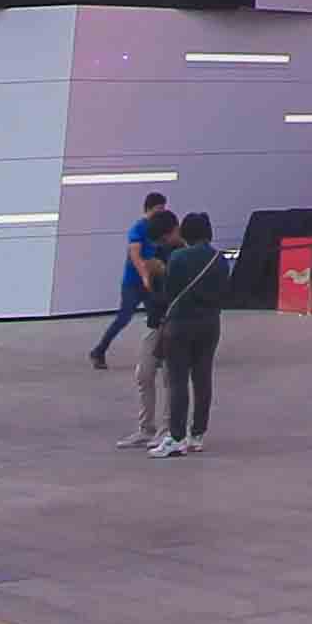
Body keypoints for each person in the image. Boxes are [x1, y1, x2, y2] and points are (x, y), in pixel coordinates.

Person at [137, 209, 227, 456]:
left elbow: (169, 294)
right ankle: (197, 434)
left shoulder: (177, 258)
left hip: (181, 325)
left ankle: (176, 437)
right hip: (210, 323)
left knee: (177, 381)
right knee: (203, 379)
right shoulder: (219, 258)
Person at [91, 192, 177, 372]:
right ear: (149, 209)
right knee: (124, 317)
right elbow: (135, 256)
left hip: (152, 282)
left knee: (159, 316)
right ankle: (99, 351)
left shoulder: (160, 229)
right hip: (133, 283)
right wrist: (145, 276)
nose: (161, 212)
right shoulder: (138, 229)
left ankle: (158, 354)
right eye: (159, 209)